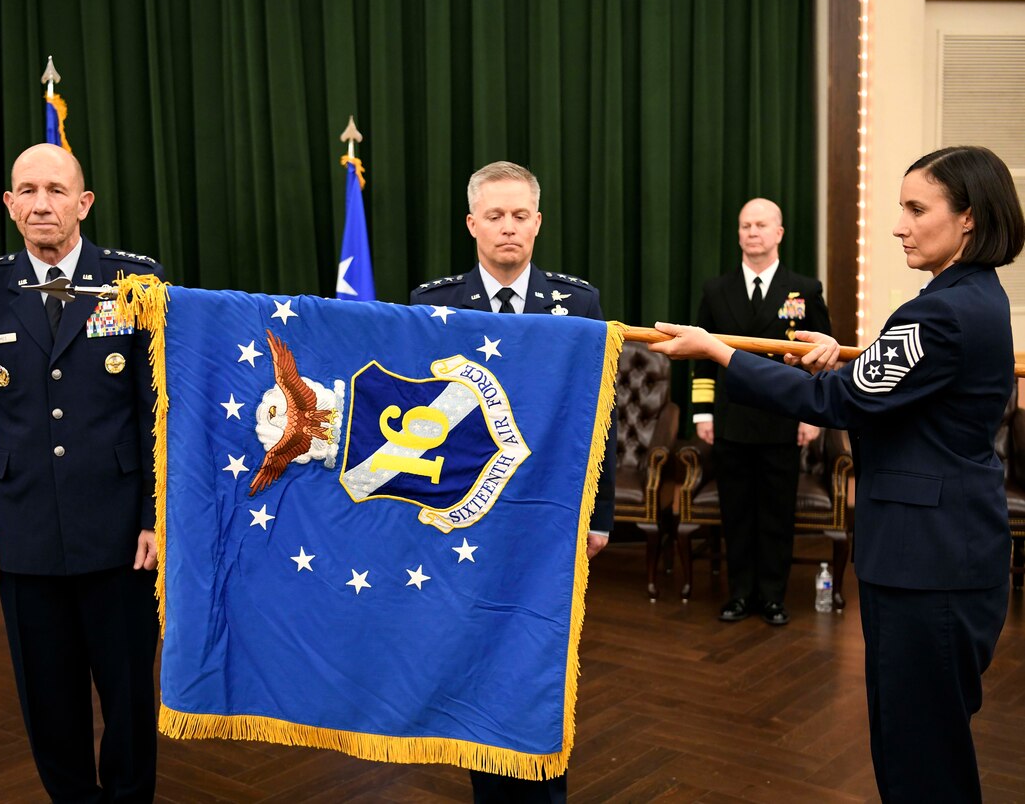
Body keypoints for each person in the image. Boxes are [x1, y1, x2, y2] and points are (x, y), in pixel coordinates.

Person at [652, 145, 1023, 803]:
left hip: (927, 562)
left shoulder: (938, 312)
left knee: (921, 756)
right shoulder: (972, 298)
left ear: (966, 218)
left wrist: (717, 350)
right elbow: (883, 391)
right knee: (925, 743)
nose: (898, 225)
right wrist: (835, 367)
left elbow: (837, 405)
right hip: (943, 550)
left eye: (915, 208)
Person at [0, 143, 165, 802]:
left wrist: (155, 520)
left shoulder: (135, 281)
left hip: (119, 533)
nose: (41, 203)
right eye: (27, 190)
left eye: (55, 189)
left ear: (83, 202)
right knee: (47, 700)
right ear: (10, 204)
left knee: (129, 696)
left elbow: (156, 409)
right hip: (24, 531)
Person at [410, 160, 615, 804]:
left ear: (538, 223)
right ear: (472, 225)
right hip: (467, 518)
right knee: (477, 661)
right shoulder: (431, 304)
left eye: (519, 216)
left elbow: (595, 416)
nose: (508, 229)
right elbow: (417, 426)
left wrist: (599, 514)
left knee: (539, 662)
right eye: (494, 216)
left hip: (550, 516)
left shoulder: (578, 302)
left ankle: (545, 792)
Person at [691, 198, 831, 626]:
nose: (752, 232)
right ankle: (739, 595)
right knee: (736, 513)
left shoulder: (805, 289)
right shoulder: (716, 290)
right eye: (745, 225)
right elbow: (701, 357)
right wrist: (702, 414)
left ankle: (772, 596)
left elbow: (819, 358)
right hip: (732, 421)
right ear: (738, 234)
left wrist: (812, 414)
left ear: (779, 234)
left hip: (783, 419)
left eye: (761, 225)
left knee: (775, 514)